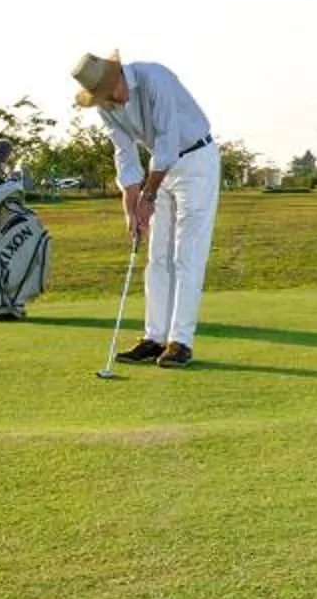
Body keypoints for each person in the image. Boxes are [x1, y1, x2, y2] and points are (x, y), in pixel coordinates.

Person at [72, 51, 219, 367]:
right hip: (161, 167)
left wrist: (147, 197)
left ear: (120, 74)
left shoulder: (156, 79)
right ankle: (154, 338)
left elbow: (167, 142)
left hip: (196, 160)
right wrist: (131, 205)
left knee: (186, 254)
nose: (112, 100)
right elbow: (123, 154)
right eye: (102, 97)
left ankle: (180, 342)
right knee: (157, 256)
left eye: (112, 90)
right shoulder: (107, 105)